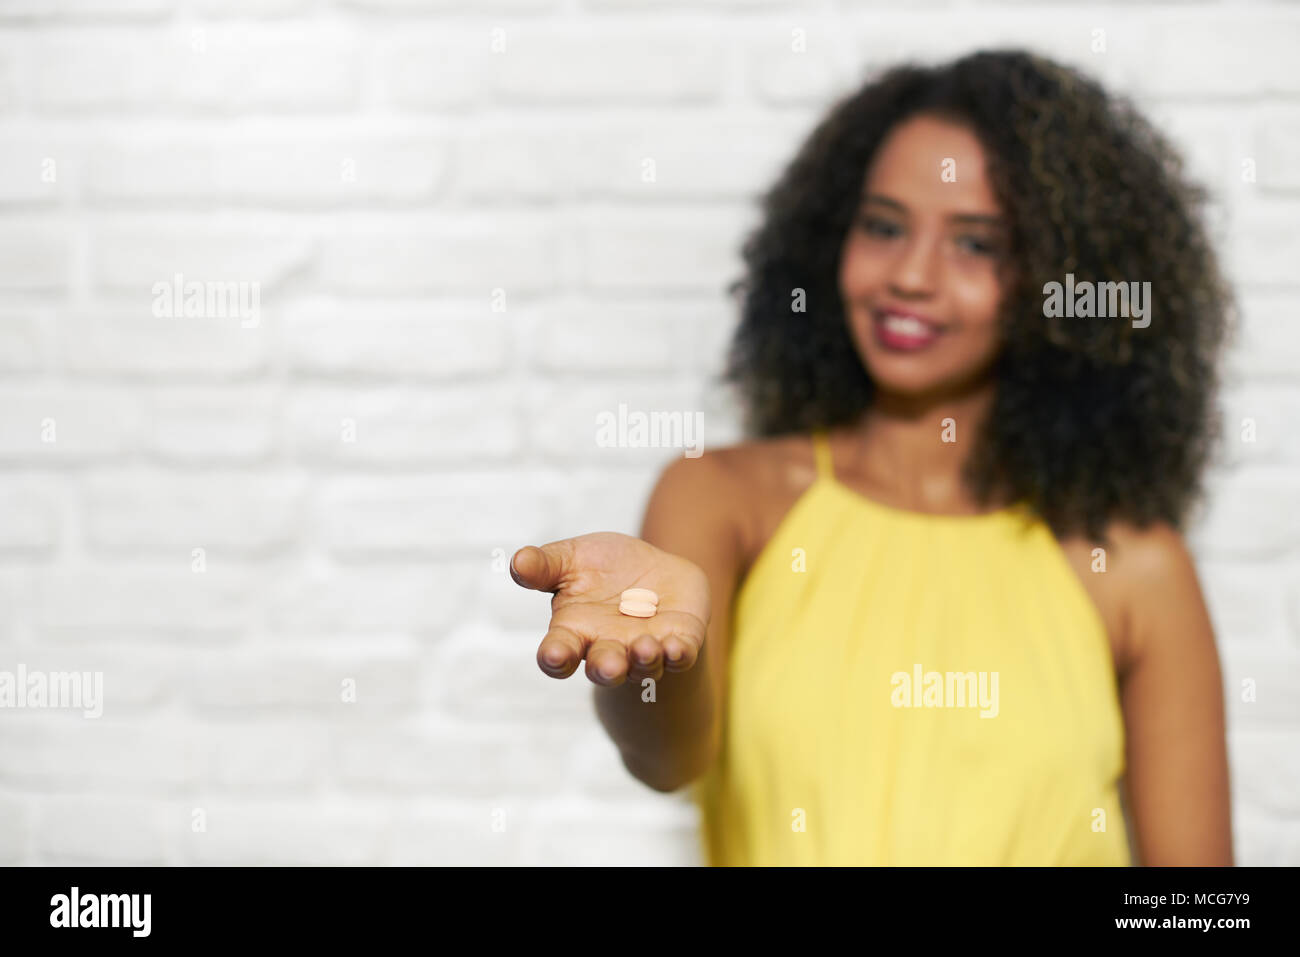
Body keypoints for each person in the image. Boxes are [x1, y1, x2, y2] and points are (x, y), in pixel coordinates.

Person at [510, 50, 1234, 866]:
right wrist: (650, 664)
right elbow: (667, 758)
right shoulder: (724, 500)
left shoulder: (1133, 565)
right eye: (885, 226)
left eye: (976, 245)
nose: (912, 276)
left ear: (1057, 280)